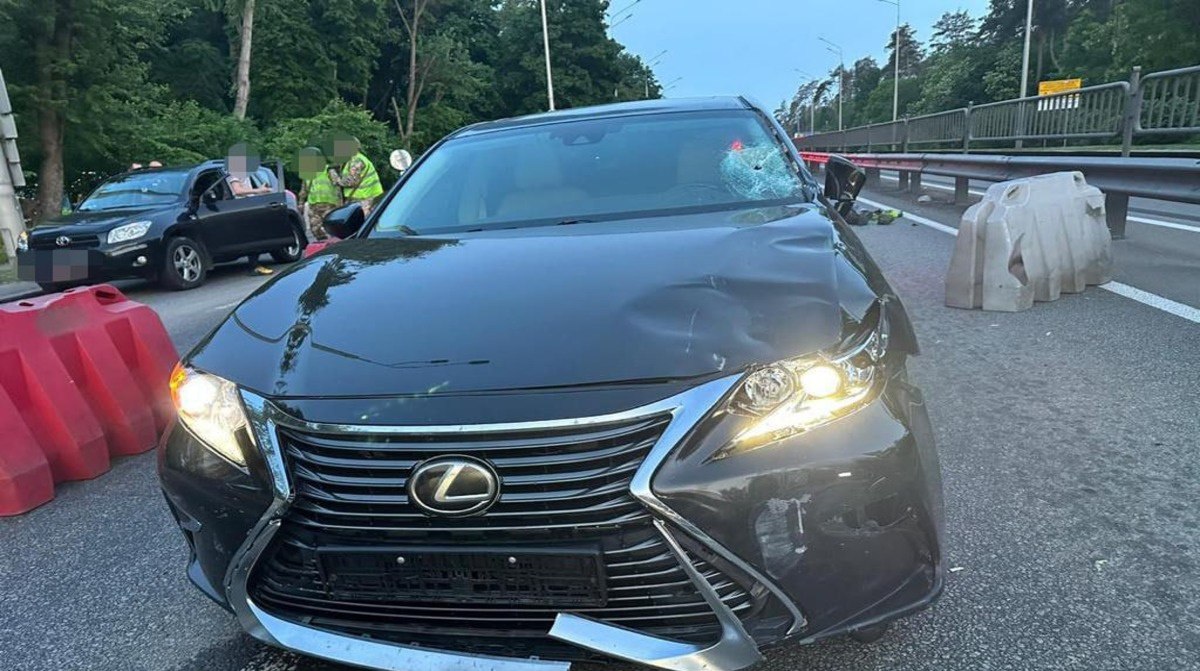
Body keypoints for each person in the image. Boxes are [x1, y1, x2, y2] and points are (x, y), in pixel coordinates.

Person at [225, 143, 275, 275]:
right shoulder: (233, 172)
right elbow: (237, 191)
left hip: (248, 204)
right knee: (252, 236)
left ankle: (255, 265)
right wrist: (259, 191)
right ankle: (254, 266)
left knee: (255, 235)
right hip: (241, 207)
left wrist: (259, 190)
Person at [327, 135, 383, 215]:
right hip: (364, 199)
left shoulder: (357, 160)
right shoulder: (352, 160)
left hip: (365, 200)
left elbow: (350, 181)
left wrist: (335, 178)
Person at [296, 146, 341, 241]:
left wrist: (340, 204)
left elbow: (338, 186)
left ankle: (333, 243)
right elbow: (304, 190)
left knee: (331, 229)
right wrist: (301, 204)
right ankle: (323, 244)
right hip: (314, 206)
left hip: (329, 205)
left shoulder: (328, 170)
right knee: (315, 230)